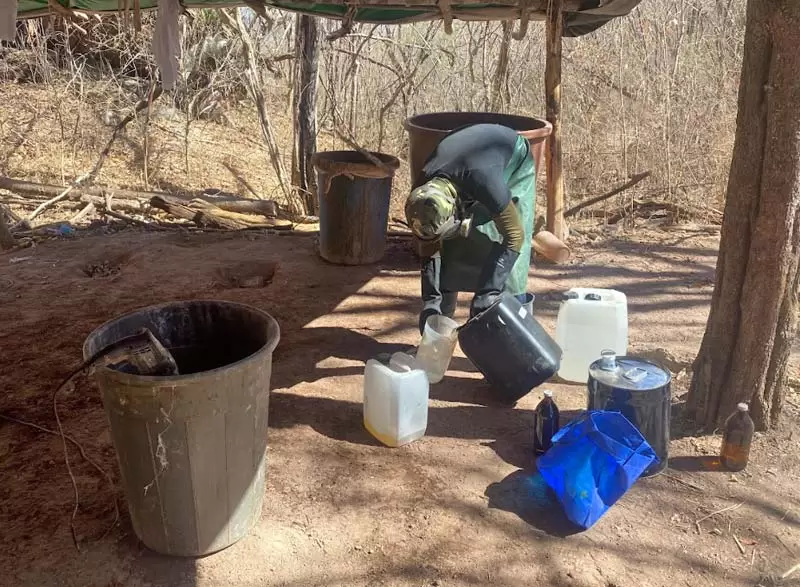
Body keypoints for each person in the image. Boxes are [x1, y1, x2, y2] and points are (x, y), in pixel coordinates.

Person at [405, 123, 536, 334]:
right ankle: (442, 322)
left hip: (509, 152)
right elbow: (429, 245)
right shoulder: (421, 196)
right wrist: (431, 303)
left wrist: (488, 292)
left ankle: (512, 328)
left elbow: (514, 236)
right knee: (453, 246)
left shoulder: (486, 182)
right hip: (464, 156)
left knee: (507, 244)